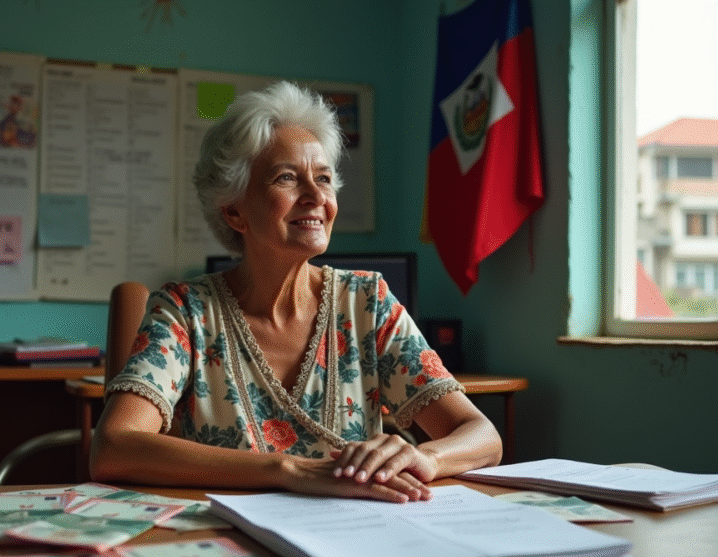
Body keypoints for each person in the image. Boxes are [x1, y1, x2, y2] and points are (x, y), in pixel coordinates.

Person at [90, 81, 502, 503]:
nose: (315, 196)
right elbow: (113, 447)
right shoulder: (185, 312)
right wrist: (290, 469)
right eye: (287, 177)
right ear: (234, 210)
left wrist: (426, 458)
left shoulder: (367, 303)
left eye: (323, 179)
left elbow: (482, 436)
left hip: (356, 539)